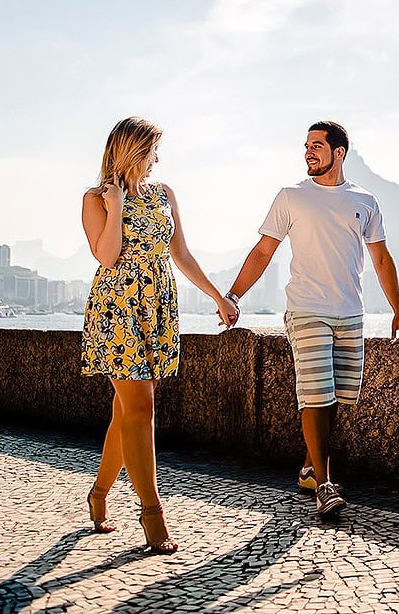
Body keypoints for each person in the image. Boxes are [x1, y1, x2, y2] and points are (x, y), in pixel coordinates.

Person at [226, 120, 399, 518]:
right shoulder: (291, 197)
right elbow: (262, 252)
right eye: (306, 145)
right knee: (316, 396)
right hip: (306, 309)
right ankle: (325, 485)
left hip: (350, 313)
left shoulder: (366, 201)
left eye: (317, 146)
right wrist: (234, 294)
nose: (308, 152)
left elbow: (380, 258)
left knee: (339, 399)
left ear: (338, 153)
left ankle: (311, 467)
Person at [80, 116, 239, 553]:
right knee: (141, 407)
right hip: (117, 310)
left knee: (125, 411)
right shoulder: (95, 199)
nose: (157, 160)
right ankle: (152, 513)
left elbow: (181, 253)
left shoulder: (165, 194)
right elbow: (108, 257)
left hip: (157, 306)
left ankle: (98, 494)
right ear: (132, 151)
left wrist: (217, 297)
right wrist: (114, 209)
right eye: (152, 151)